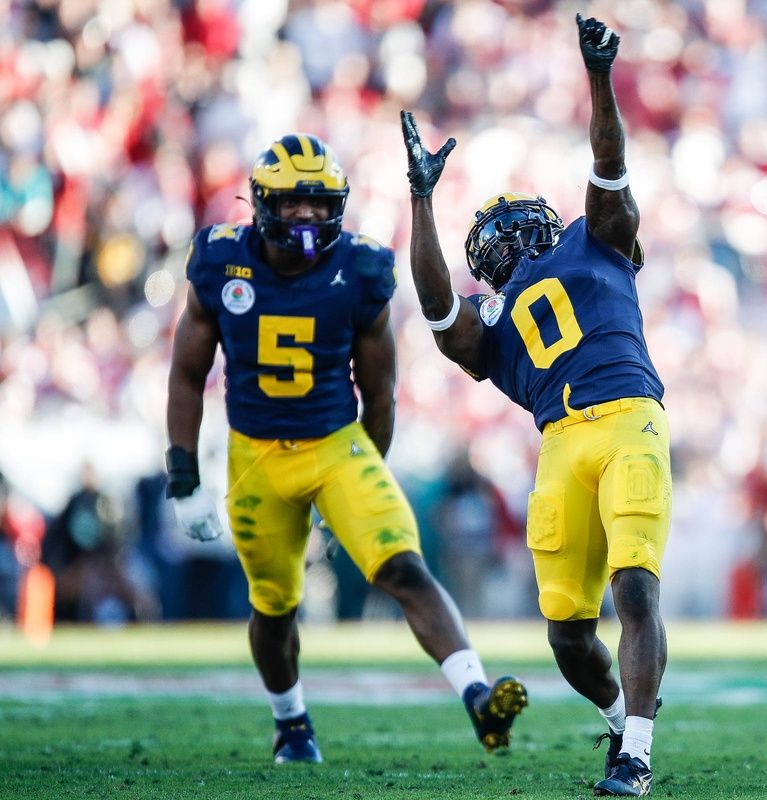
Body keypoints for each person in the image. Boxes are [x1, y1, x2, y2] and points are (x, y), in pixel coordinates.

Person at [165, 132, 527, 765]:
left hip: (337, 446)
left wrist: (365, 477)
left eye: (319, 201)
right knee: (274, 609)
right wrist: (182, 474)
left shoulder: (358, 270)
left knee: (403, 567)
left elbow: (380, 396)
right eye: (292, 202)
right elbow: (187, 373)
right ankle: (292, 723)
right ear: (261, 204)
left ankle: (476, 692)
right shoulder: (220, 262)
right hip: (255, 455)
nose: (306, 214)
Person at [402, 14, 668, 797]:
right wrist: (421, 200)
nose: (514, 239)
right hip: (560, 442)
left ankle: (638, 758)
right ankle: (627, 727)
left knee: (636, 588)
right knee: (566, 633)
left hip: (628, 422)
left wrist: (598, 76)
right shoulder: (491, 318)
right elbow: (438, 313)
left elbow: (609, 160)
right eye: (498, 239)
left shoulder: (600, 237)